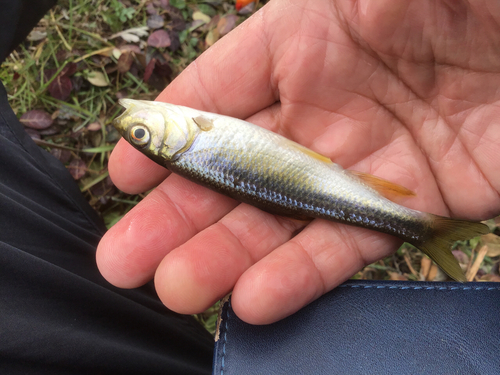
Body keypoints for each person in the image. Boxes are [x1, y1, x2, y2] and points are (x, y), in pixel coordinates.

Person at [1, 0, 499, 373]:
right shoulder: (191, 138)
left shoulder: (191, 138)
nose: (138, 122)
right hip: (314, 183)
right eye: (141, 133)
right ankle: (426, 229)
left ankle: (429, 230)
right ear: (171, 140)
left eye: (139, 134)